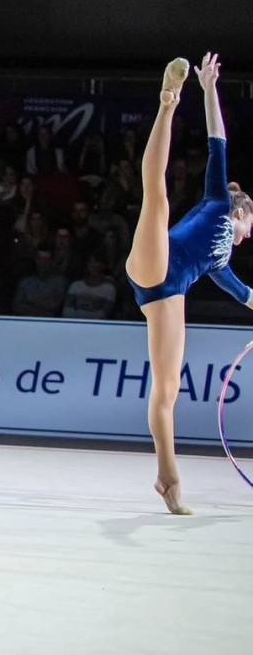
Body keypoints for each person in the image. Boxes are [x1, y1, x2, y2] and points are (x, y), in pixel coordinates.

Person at [124, 53, 253, 515]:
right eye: (250, 225)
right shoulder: (220, 200)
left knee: (167, 390)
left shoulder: (221, 262)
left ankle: (167, 478)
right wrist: (209, 88)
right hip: (158, 263)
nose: (250, 235)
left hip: (162, 291)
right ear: (240, 214)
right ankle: (167, 103)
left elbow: (245, 295)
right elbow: (219, 141)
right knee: (155, 197)